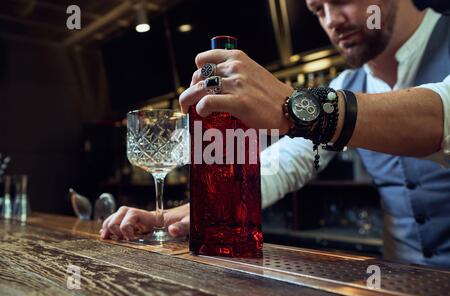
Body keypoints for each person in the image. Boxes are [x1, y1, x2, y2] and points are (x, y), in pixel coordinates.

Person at [101, 0, 450, 268]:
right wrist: (168, 217)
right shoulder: (346, 85)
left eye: (341, 0)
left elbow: (442, 113)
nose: (331, 20)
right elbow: (282, 163)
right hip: (402, 278)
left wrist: (296, 105)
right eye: (317, 9)